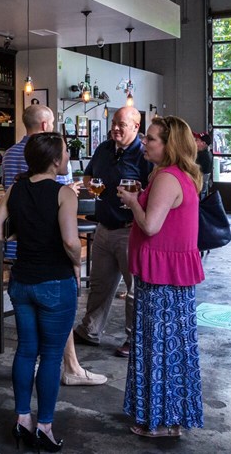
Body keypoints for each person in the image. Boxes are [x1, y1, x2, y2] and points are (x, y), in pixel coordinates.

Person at [2, 105, 105, 387]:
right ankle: (68, 368)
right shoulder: (53, 155)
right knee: (56, 310)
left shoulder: (10, 155)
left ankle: (43, 373)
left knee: (29, 334)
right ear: (46, 124)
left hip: (18, 247)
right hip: (51, 245)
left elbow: (8, 204)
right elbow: (60, 199)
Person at [0, 132, 81, 452]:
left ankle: (22, 420)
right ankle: (44, 426)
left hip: (21, 282)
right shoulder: (64, 194)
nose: (68, 157)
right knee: (52, 355)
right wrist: (78, 263)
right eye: (66, 152)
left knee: (26, 350)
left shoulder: (15, 189)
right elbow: (71, 241)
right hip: (54, 283)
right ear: (55, 160)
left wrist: (23, 231)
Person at [116, 116, 204, 439]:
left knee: (160, 347)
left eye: (151, 139)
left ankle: (162, 422)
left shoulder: (167, 177)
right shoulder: (174, 175)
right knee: (170, 346)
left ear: (169, 145)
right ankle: (167, 416)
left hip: (163, 277)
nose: (145, 143)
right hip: (168, 274)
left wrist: (130, 202)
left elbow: (151, 226)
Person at [74, 107, 152, 357]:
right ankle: (91, 330)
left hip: (131, 230)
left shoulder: (144, 155)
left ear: (136, 128)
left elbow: (154, 192)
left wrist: (138, 194)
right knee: (100, 284)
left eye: (121, 124)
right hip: (104, 227)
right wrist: (93, 185)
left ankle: (134, 338)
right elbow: (88, 176)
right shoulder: (105, 148)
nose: (115, 128)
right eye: (114, 124)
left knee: (134, 290)